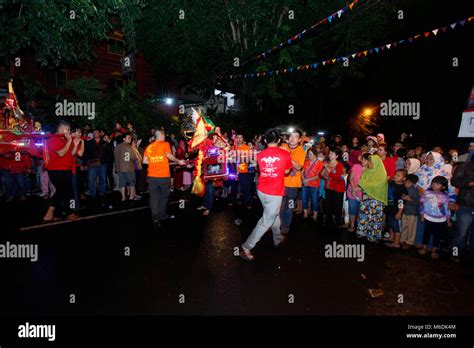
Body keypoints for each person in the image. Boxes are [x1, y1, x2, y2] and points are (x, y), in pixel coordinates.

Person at [240, 129, 292, 261]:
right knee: (267, 220)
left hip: (262, 190)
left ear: (265, 140)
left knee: (273, 215)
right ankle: (247, 246)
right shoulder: (285, 154)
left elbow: (260, 169)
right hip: (274, 192)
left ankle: (277, 238)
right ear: (279, 140)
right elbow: (286, 171)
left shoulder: (260, 154)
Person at [143, 129, 185, 228]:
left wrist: (155, 163)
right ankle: (162, 215)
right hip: (163, 176)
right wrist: (178, 161)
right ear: (161, 135)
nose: (165, 136)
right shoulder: (165, 144)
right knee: (164, 196)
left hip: (151, 176)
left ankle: (155, 218)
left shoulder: (149, 147)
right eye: (164, 135)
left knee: (154, 197)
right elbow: (169, 155)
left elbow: (145, 161)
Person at [43, 121, 80, 221]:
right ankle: (49, 214)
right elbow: (61, 153)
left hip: (65, 170)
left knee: (66, 192)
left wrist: (75, 144)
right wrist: (69, 141)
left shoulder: (64, 139)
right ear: (61, 129)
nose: (69, 131)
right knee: (61, 191)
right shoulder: (53, 139)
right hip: (57, 170)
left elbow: (71, 154)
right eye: (67, 129)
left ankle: (67, 213)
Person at [279, 129, 306, 234]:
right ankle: (278, 224)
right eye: (291, 136)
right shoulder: (283, 146)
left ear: (299, 140)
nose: (292, 138)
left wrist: (286, 155)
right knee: (279, 206)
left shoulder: (300, 151)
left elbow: (298, 166)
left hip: (293, 186)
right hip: (280, 183)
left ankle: (286, 226)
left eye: (295, 137)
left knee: (289, 207)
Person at [356, 155, 388, 242]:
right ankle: (362, 232)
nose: (369, 163)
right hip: (366, 197)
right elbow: (362, 182)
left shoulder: (382, 174)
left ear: (376, 163)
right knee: (364, 215)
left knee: (374, 218)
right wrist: (363, 185)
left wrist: (364, 184)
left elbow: (375, 185)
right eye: (369, 161)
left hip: (376, 199)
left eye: (371, 161)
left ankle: (373, 236)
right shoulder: (367, 171)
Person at [418, 176, 451, 259]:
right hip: (428, 217)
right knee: (427, 233)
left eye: (437, 183)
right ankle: (424, 247)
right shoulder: (426, 193)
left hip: (441, 220)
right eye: (433, 183)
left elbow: (447, 209)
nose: (434, 185)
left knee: (437, 235)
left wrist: (448, 220)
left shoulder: (445, 196)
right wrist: (422, 215)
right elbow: (422, 205)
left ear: (443, 186)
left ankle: (434, 250)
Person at [450, 155, 474, 262]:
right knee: (461, 233)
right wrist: (469, 183)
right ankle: (455, 254)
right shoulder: (463, 166)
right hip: (466, 204)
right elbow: (454, 181)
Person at [114, 132, 141, 201]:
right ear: (124, 139)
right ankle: (131, 196)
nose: (130, 139)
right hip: (128, 167)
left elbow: (115, 157)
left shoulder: (117, 147)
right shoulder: (129, 147)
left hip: (119, 168)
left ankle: (123, 197)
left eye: (130, 138)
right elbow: (134, 157)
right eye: (128, 138)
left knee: (122, 183)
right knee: (132, 182)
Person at [384, 169, 408, 248]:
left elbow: (402, 202)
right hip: (389, 208)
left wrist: (399, 212)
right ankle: (391, 237)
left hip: (396, 211)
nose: (395, 176)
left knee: (397, 227)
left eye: (398, 175)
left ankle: (396, 242)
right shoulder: (392, 183)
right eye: (395, 174)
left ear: (404, 178)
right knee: (390, 223)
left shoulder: (402, 189)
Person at [323, 148, 345, 227]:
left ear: (337, 156)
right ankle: (329, 221)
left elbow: (337, 177)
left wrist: (328, 169)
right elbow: (321, 175)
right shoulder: (327, 163)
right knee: (328, 206)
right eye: (330, 153)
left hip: (338, 189)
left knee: (337, 207)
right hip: (329, 187)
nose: (330, 155)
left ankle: (338, 222)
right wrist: (324, 171)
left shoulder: (340, 165)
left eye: (332, 154)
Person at [84, 129, 107, 203]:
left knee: (103, 180)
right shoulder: (89, 143)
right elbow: (85, 154)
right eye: (93, 132)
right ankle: (92, 195)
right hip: (92, 164)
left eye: (96, 132)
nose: (95, 133)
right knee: (91, 180)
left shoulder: (104, 143)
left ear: (100, 133)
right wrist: (86, 162)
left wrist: (105, 161)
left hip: (102, 164)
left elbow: (109, 152)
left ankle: (102, 194)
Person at [301, 146, 324, 221]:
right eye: (308, 154)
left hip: (314, 185)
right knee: (304, 199)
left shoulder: (320, 163)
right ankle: (305, 213)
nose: (309, 156)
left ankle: (315, 215)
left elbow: (319, 175)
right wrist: (304, 179)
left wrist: (308, 180)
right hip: (305, 184)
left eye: (310, 154)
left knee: (315, 200)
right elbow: (302, 172)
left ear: (315, 155)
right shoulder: (306, 162)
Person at [347, 153, 367, 232]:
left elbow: (369, 184)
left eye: (365, 160)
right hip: (352, 192)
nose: (363, 161)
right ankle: (352, 225)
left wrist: (357, 189)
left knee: (361, 210)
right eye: (362, 159)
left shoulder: (371, 170)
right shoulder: (356, 166)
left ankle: (359, 225)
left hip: (363, 193)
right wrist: (353, 189)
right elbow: (351, 178)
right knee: (352, 209)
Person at [400, 174, 421, 249]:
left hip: (413, 212)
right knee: (404, 226)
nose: (406, 184)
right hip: (406, 211)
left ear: (413, 183)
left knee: (411, 228)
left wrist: (409, 199)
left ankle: (409, 242)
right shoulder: (405, 189)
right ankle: (402, 239)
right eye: (405, 182)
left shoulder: (414, 191)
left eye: (408, 183)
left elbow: (418, 202)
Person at [234, 134, 252, 208]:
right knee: (234, 187)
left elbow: (249, 160)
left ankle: (247, 202)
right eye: (237, 137)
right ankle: (234, 201)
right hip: (233, 171)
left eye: (241, 137)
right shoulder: (233, 148)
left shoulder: (247, 147)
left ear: (243, 139)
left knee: (245, 188)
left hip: (243, 171)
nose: (239, 139)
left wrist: (239, 159)